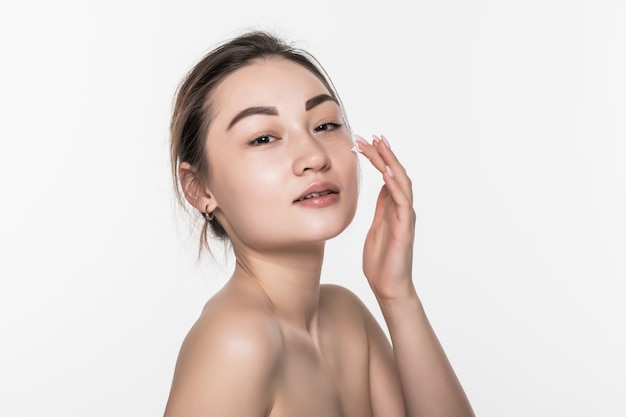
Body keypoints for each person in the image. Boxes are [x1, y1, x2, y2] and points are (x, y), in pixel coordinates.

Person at [163, 30, 474, 417]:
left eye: (325, 125)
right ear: (199, 188)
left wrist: (397, 296)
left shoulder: (346, 318)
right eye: (263, 138)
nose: (313, 155)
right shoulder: (238, 340)